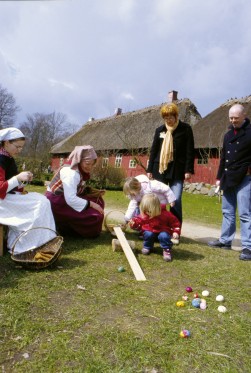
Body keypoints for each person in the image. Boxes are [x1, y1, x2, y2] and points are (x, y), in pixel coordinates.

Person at [0, 127, 56, 254]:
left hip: (5, 198)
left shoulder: (7, 157)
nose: (20, 150)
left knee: (42, 200)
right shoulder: (1, 158)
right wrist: (17, 178)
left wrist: (21, 181)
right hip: (1, 203)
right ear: (7, 142)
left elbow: (10, 183)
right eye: (17, 146)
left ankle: (42, 241)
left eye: (21, 147)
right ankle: (25, 245)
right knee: (40, 203)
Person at [208, 104, 251, 261]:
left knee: (245, 213)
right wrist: (219, 178)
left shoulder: (250, 133)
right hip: (228, 177)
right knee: (227, 211)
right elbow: (223, 159)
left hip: (245, 178)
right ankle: (225, 240)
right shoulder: (227, 135)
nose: (233, 121)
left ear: (244, 116)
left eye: (236, 118)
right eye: (231, 118)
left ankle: (247, 247)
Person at [147, 103, 194, 223]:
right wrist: (149, 169)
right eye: (166, 118)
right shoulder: (159, 130)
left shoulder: (186, 129)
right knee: (157, 199)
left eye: (171, 117)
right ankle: (154, 227)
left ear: (176, 116)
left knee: (176, 199)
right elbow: (154, 150)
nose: (168, 120)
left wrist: (188, 169)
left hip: (177, 169)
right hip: (160, 169)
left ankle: (175, 230)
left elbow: (190, 150)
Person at [46, 145, 104, 238]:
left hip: (63, 199)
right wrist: (92, 204)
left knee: (98, 200)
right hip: (56, 203)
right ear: (79, 160)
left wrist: (88, 191)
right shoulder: (71, 173)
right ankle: (66, 228)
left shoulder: (78, 169)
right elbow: (71, 199)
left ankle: (70, 225)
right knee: (96, 216)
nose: (90, 167)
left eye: (92, 164)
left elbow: (74, 189)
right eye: (87, 163)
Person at [129, 193, 181, 262]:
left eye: (149, 211)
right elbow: (138, 220)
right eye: (145, 210)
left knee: (164, 236)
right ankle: (147, 246)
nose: (147, 213)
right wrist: (134, 223)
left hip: (163, 230)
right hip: (150, 230)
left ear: (156, 208)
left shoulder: (166, 214)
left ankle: (166, 250)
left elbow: (175, 223)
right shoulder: (145, 214)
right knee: (148, 233)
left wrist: (175, 232)